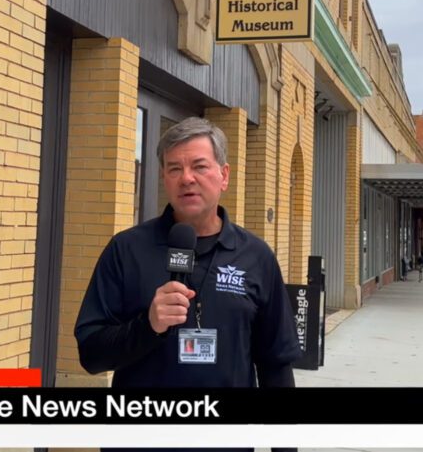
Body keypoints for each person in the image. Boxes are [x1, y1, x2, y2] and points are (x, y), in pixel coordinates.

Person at [75, 117, 302, 449]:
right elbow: (90, 354)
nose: (187, 179)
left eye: (199, 166)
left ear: (224, 175)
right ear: (164, 178)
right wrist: (147, 326)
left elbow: (275, 367)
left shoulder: (256, 257)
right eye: (174, 169)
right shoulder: (127, 250)